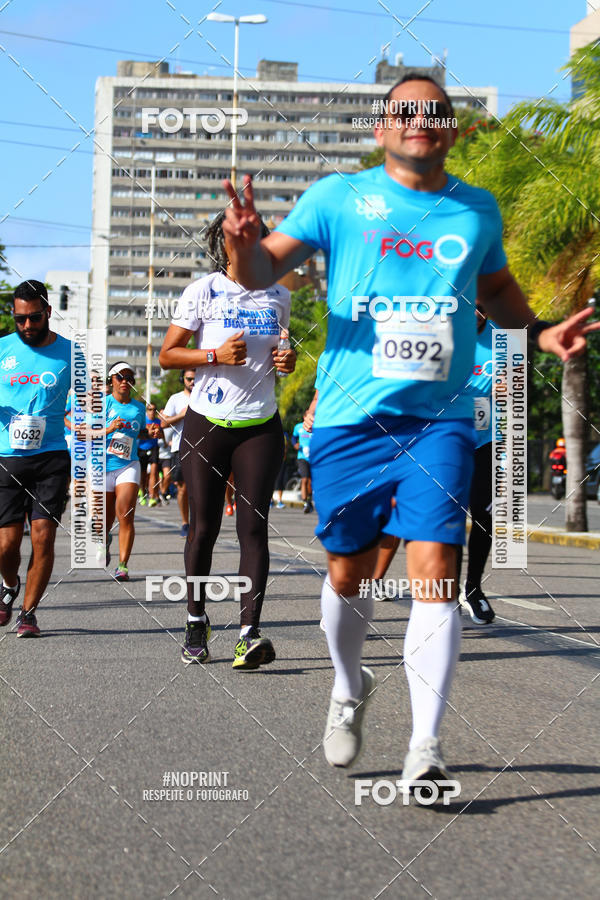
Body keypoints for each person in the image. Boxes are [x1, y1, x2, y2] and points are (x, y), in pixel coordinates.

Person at [222, 74, 600, 793]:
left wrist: (542, 332)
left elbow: (495, 292)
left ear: (451, 130)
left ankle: (425, 745)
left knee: (435, 572)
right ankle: (347, 684)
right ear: (382, 128)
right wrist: (243, 247)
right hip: (348, 420)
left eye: (435, 113)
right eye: (406, 111)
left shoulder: (475, 210)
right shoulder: (339, 197)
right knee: (349, 576)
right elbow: (262, 268)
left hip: (441, 422)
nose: (421, 122)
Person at [158, 210, 296, 668]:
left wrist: (286, 359)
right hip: (207, 423)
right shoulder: (204, 290)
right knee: (203, 529)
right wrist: (213, 354)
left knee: (253, 528)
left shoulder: (279, 294)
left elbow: (280, 347)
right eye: (244, 234)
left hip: (260, 424)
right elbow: (167, 355)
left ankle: (248, 633)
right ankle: (196, 620)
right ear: (227, 242)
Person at [0, 280, 73, 637]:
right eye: (20, 319)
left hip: (52, 455)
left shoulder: (71, 353)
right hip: (7, 457)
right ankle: (10, 584)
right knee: (6, 545)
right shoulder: (2, 349)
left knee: (43, 535)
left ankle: (28, 612)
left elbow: (90, 405)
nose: (27, 325)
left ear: (47, 312)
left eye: (34, 318)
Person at [95, 361, 147, 581]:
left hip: (129, 465)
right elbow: (85, 433)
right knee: (105, 520)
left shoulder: (139, 407)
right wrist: (109, 428)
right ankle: (105, 540)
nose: (125, 381)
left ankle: (123, 565)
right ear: (111, 381)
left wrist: (151, 432)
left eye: (129, 377)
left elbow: (141, 433)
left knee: (125, 514)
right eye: (120, 377)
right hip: (104, 465)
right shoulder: (102, 404)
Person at [159, 369, 195, 536]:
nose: (192, 382)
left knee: (201, 488)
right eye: (189, 379)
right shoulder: (176, 399)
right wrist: (181, 415)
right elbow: (163, 423)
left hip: (204, 448)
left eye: (195, 379)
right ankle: (185, 523)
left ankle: (199, 523)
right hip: (180, 448)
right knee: (182, 488)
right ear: (183, 379)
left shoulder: (207, 397)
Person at [138, 402, 161, 507]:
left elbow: (162, 433)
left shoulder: (158, 421)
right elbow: (138, 434)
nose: (152, 411)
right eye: (150, 409)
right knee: (142, 475)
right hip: (142, 448)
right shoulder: (143, 421)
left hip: (154, 448)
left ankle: (151, 497)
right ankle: (142, 493)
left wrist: (164, 440)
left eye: (154, 409)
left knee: (153, 473)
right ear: (147, 411)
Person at [292, 419, 313, 513]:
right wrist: (295, 444)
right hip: (302, 457)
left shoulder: (316, 426)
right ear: (305, 417)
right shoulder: (298, 427)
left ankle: (309, 500)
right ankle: (305, 503)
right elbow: (293, 438)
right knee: (305, 479)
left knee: (311, 481)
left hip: (314, 457)